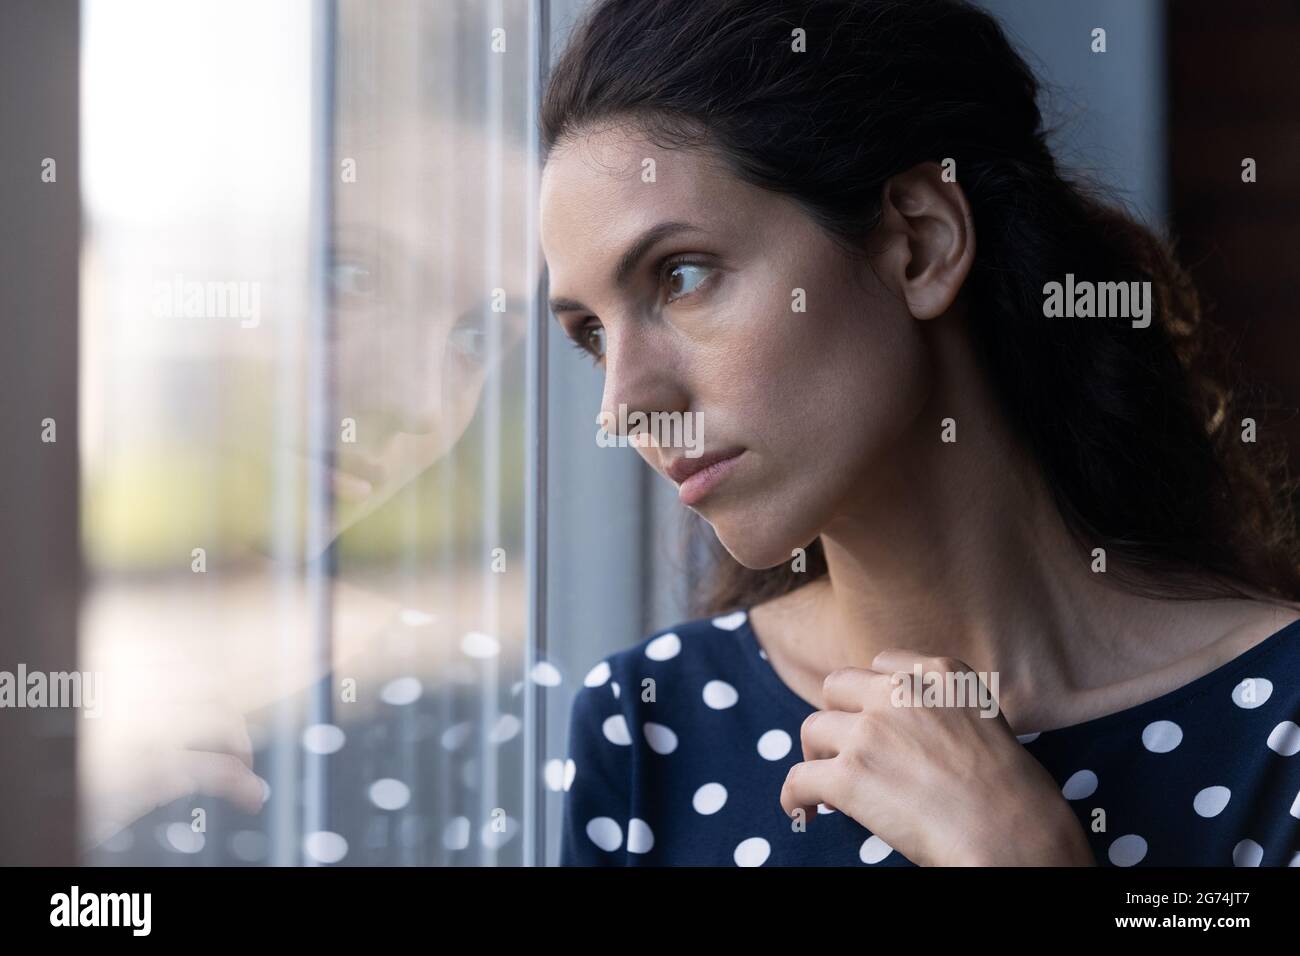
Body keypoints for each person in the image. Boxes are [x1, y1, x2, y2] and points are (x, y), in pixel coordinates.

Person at [539, 0, 1300, 866]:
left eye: (680, 276)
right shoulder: (649, 727)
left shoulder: (1281, 733)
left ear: (919, 244)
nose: (623, 406)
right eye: (591, 335)